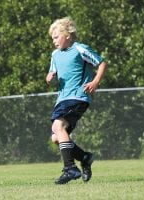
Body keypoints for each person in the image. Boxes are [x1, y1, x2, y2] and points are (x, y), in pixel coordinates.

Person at [46, 17, 107, 184]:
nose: (54, 41)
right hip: (62, 99)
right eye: (52, 38)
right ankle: (84, 157)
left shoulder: (80, 49)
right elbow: (52, 76)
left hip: (77, 97)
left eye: (56, 37)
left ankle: (70, 168)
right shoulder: (55, 55)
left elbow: (102, 63)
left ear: (68, 35)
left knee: (59, 126)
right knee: (57, 137)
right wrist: (50, 78)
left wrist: (95, 82)